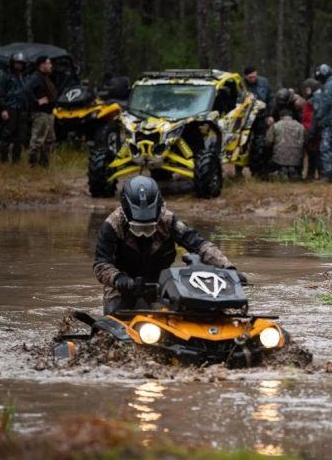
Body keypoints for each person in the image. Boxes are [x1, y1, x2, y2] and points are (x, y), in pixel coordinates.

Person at [93, 176, 242, 314]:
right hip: (123, 286)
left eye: (149, 227)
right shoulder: (112, 226)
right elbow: (101, 264)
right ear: (126, 214)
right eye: (138, 228)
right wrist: (119, 279)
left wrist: (228, 269)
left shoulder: (169, 221)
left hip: (161, 282)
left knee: (184, 312)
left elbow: (201, 245)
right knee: (115, 315)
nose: (144, 233)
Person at [25, 55, 58, 167]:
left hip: (49, 113)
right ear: (42, 65)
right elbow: (27, 89)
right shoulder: (36, 77)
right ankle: (32, 165)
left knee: (49, 139)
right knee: (38, 140)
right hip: (40, 113)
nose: (50, 65)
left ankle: (44, 164)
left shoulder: (46, 77)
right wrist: (36, 101)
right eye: (48, 63)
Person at [0, 52, 29, 164]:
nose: (19, 65)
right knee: (7, 134)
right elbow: (0, 94)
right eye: (17, 63)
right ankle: (4, 160)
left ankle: (16, 160)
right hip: (10, 108)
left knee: (20, 136)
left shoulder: (25, 76)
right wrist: (3, 109)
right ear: (12, 63)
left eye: (21, 63)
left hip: (22, 109)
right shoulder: (5, 76)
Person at [266, 109, 305, 180]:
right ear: (292, 117)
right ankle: (292, 170)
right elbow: (303, 142)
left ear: (281, 117)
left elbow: (268, 141)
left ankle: (282, 170)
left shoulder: (276, 125)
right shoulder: (300, 126)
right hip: (296, 158)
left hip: (279, 158)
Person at [301, 77, 323, 180]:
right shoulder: (313, 99)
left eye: (307, 89)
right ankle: (311, 174)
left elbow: (312, 118)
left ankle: (320, 174)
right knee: (313, 154)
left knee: (315, 154)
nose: (306, 91)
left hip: (312, 131)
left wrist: (311, 132)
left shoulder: (313, 101)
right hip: (312, 130)